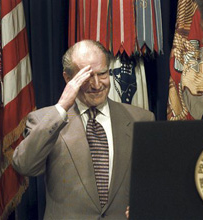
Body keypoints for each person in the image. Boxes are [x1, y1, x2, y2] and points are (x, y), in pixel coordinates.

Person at [12, 40, 155, 219]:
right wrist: (62, 107)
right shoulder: (45, 120)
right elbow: (24, 165)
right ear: (68, 78)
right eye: (87, 77)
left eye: (102, 74)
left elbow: (154, 180)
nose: (97, 85)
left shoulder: (140, 119)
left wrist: (145, 205)